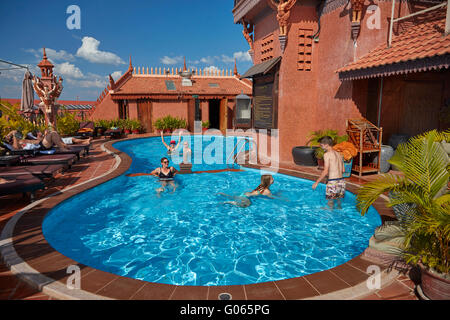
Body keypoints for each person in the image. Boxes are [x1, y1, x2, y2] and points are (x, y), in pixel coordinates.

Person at [312, 136, 346, 209]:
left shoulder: (327, 154)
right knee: (338, 204)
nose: (321, 147)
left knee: (330, 204)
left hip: (333, 182)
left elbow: (325, 170)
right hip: (341, 181)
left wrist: (317, 182)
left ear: (326, 144)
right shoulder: (339, 154)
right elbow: (343, 170)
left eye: (321, 145)